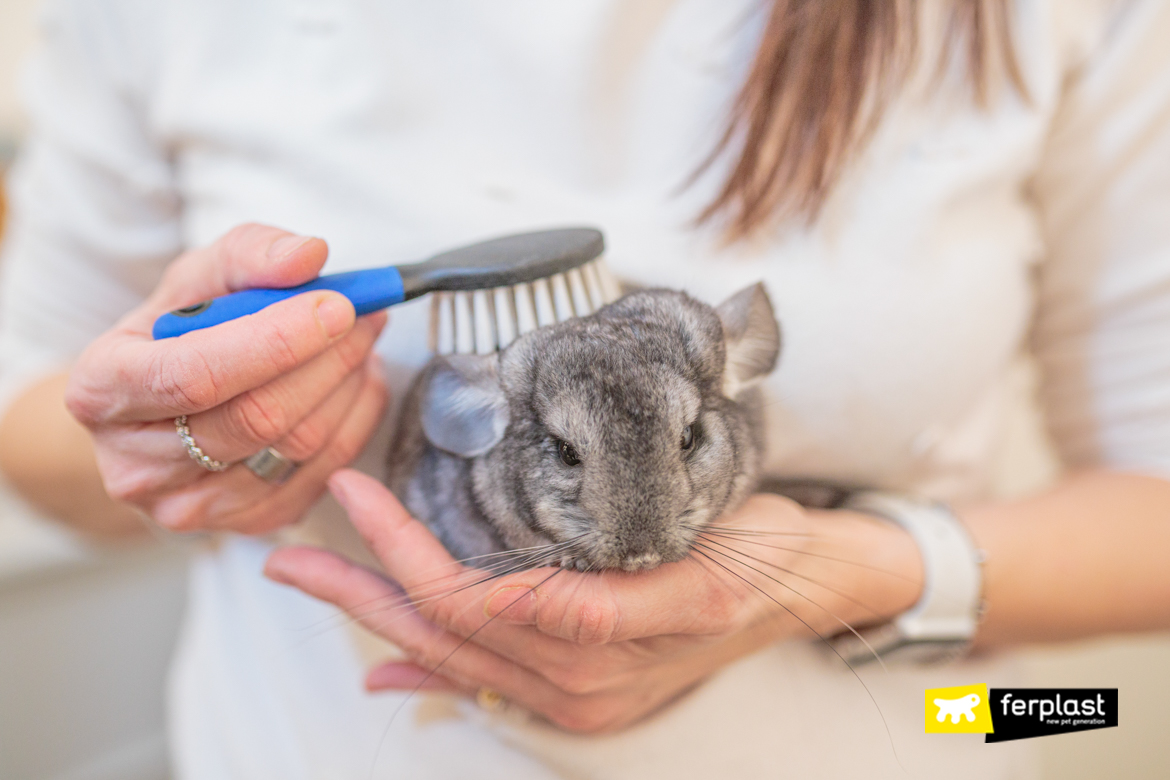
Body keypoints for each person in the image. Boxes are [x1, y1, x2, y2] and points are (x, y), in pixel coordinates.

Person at [1, 0, 1169, 777]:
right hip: (310, 744)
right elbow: (31, 423)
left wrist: (861, 572)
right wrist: (184, 438)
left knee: (1085, 717)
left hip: (927, 732)